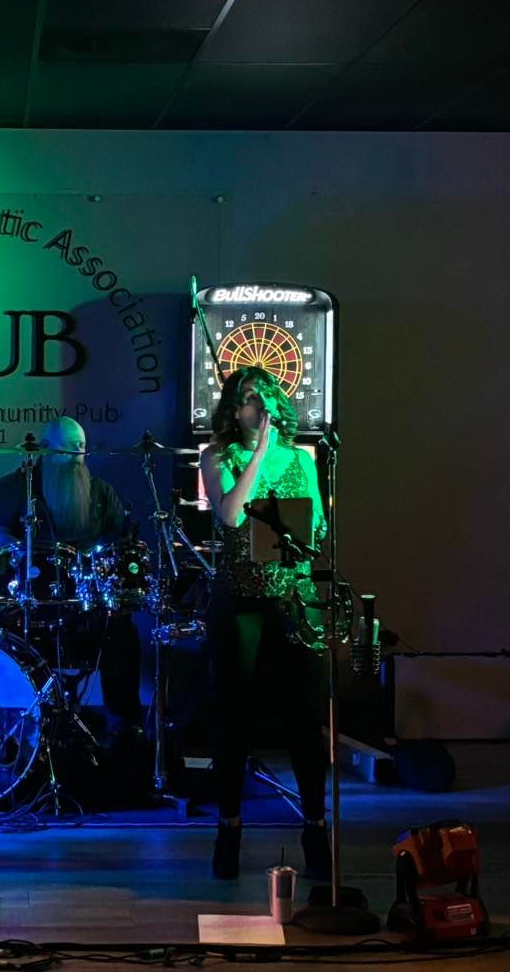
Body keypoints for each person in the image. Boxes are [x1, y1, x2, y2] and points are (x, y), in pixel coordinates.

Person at [198, 366, 329, 881]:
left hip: (291, 597)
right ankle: (228, 828)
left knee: (305, 718)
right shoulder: (217, 457)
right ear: (236, 410)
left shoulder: (301, 459)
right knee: (233, 718)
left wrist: (299, 531)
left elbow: (316, 524)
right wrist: (257, 454)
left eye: (269, 394)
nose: (263, 403)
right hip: (239, 600)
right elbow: (230, 515)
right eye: (252, 397)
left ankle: (316, 826)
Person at [0, 416, 143, 736]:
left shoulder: (101, 492)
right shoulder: (16, 486)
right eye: (68, 449)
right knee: (9, 637)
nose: (77, 456)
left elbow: (122, 542)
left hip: (88, 603)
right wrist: (20, 551)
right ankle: (23, 730)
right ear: (44, 450)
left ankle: (125, 730)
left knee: (122, 630)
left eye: (81, 449)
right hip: (33, 599)